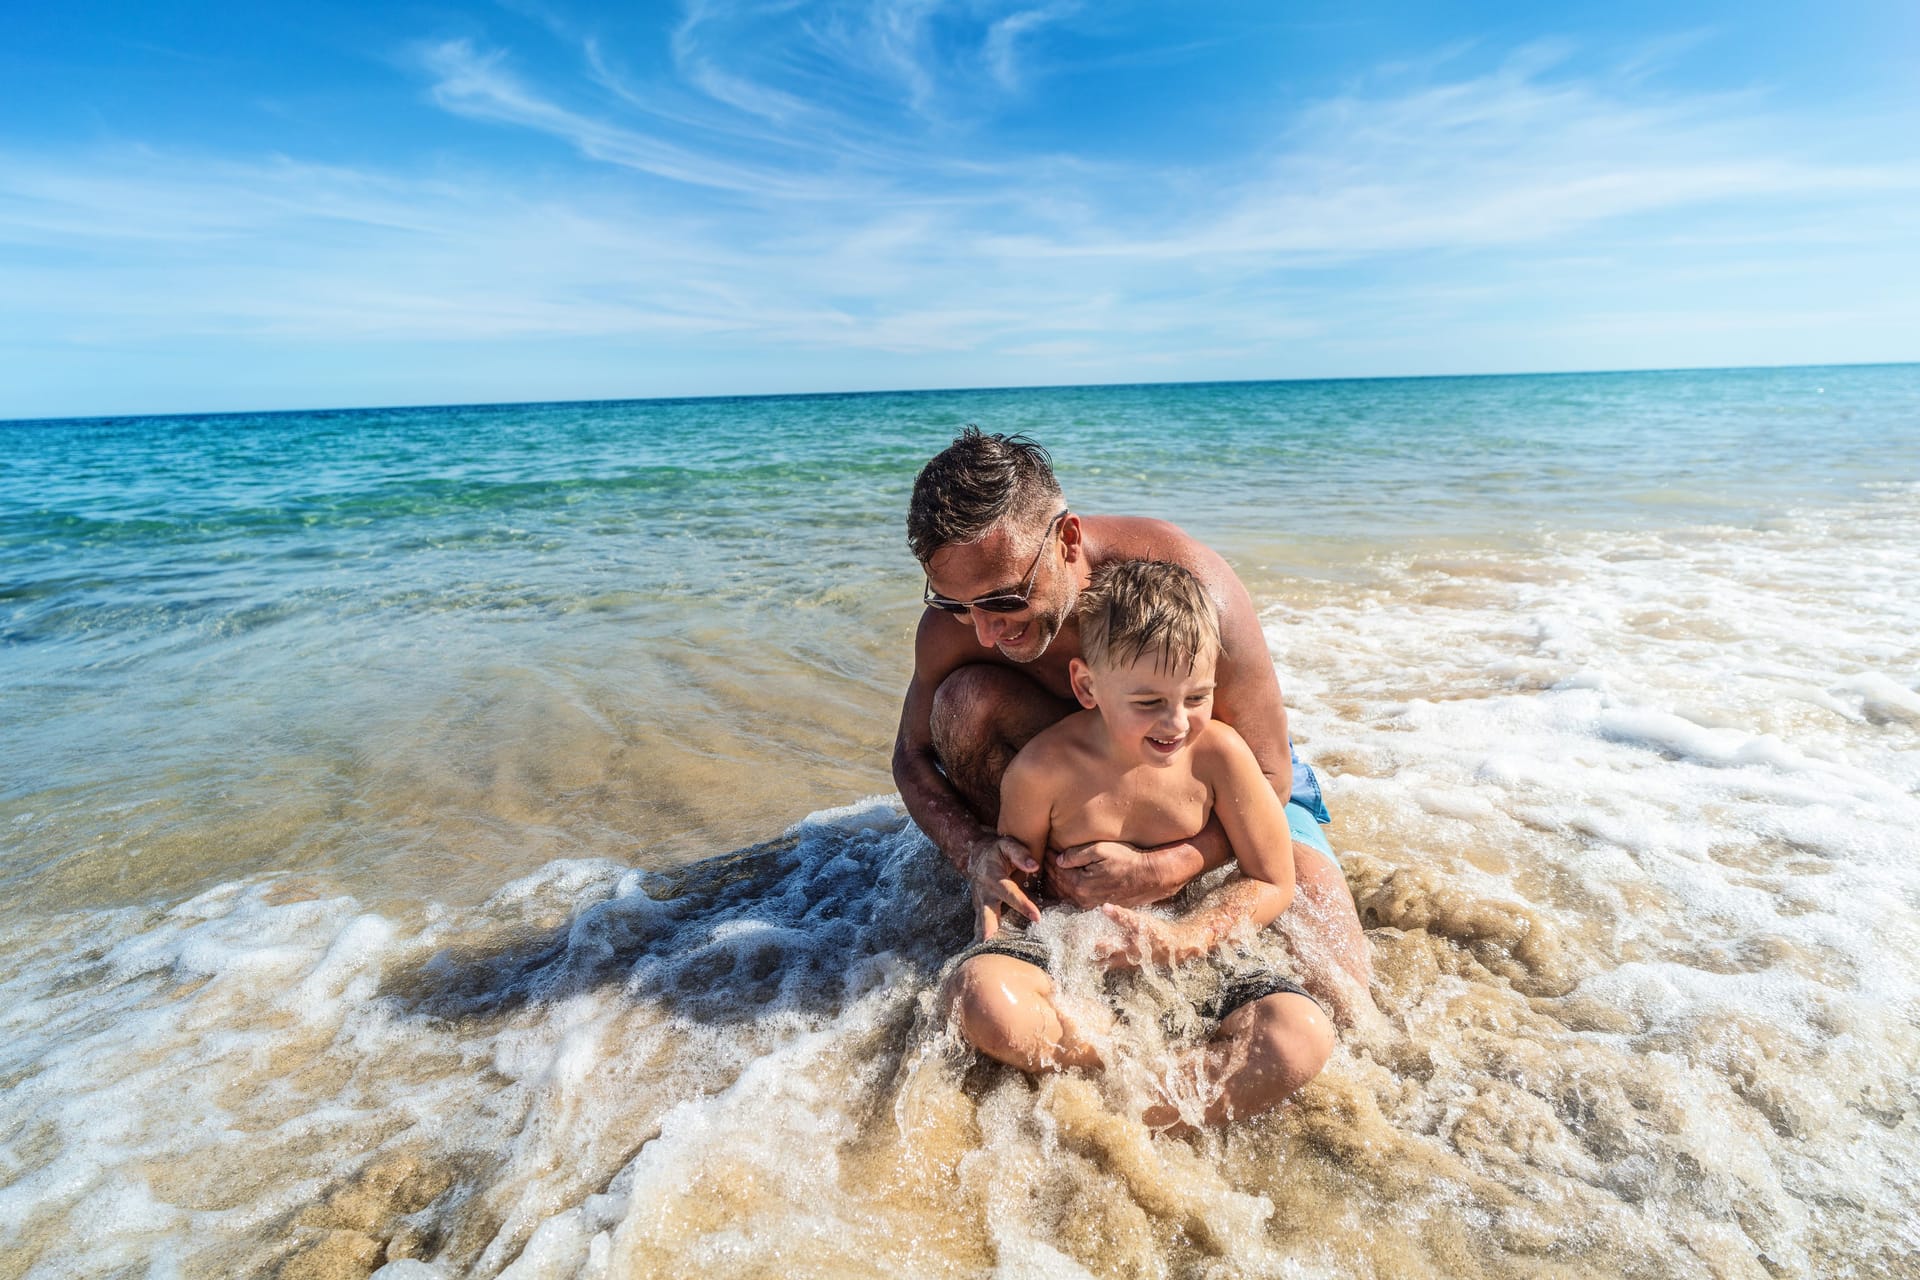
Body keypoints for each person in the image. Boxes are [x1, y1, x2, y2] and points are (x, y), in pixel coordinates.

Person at [893, 428, 1373, 1012]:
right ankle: (1043, 883)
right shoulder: (959, 625)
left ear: (1067, 540)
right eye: (954, 604)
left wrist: (1169, 866)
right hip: (1063, 781)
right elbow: (911, 755)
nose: (985, 630)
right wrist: (976, 854)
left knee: (1341, 996)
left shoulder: (1187, 588)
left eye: (1003, 600)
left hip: (1209, 785)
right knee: (964, 700)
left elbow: (1270, 775)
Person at [945, 558, 1333, 1128]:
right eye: (1149, 702)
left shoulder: (1220, 756)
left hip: (1191, 939)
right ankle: (1119, 1066)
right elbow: (1020, 896)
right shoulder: (1043, 771)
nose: (1176, 723)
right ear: (1087, 685)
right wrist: (998, 885)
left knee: (1301, 1035)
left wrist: (1184, 937)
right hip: (1075, 949)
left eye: (1196, 698)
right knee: (979, 999)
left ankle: (1138, 1109)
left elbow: (1273, 879)